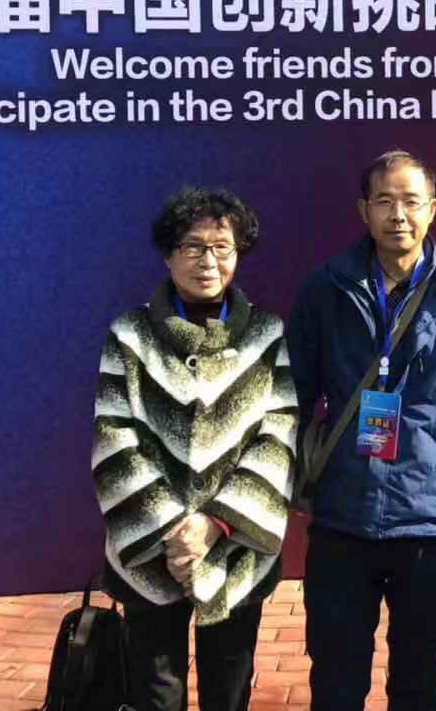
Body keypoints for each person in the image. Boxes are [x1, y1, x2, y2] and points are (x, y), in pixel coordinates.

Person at [288, 151, 436, 711]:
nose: (398, 215)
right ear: (363, 210)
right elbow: (289, 399)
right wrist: (286, 487)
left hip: (429, 522)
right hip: (343, 517)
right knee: (335, 679)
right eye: (384, 201)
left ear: (433, 209)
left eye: (411, 201)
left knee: (417, 678)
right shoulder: (327, 287)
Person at [92, 186, 298, 711]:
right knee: (155, 696)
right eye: (192, 246)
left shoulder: (266, 334)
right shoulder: (130, 334)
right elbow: (114, 436)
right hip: (151, 557)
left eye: (222, 247)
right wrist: (173, 534)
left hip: (235, 553)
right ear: (168, 254)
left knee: (228, 694)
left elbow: (278, 434)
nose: (208, 260)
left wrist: (216, 525)